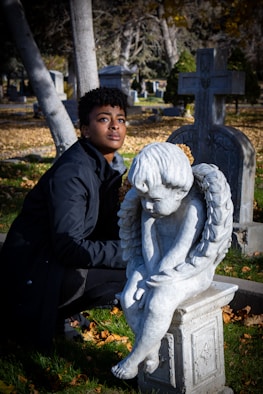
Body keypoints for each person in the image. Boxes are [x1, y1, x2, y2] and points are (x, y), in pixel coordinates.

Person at [0, 87, 129, 350]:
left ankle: (62, 312)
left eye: (121, 119)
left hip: (51, 263)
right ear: (85, 128)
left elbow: (101, 226)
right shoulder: (73, 173)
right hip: (33, 274)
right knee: (132, 271)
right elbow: (69, 247)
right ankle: (54, 314)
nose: (115, 126)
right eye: (104, 119)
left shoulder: (104, 168)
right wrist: (130, 252)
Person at [112, 142, 233, 380]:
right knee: (127, 297)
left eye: (154, 199)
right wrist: (148, 277)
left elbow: (178, 254)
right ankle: (151, 348)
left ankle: (134, 358)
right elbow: (150, 249)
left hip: (191, 270)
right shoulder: (150, 207)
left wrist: (154, 282)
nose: (146, 205)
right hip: (152, 266)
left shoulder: (193, 210)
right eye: (143, 198)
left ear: (178, 191)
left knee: (160, 302)